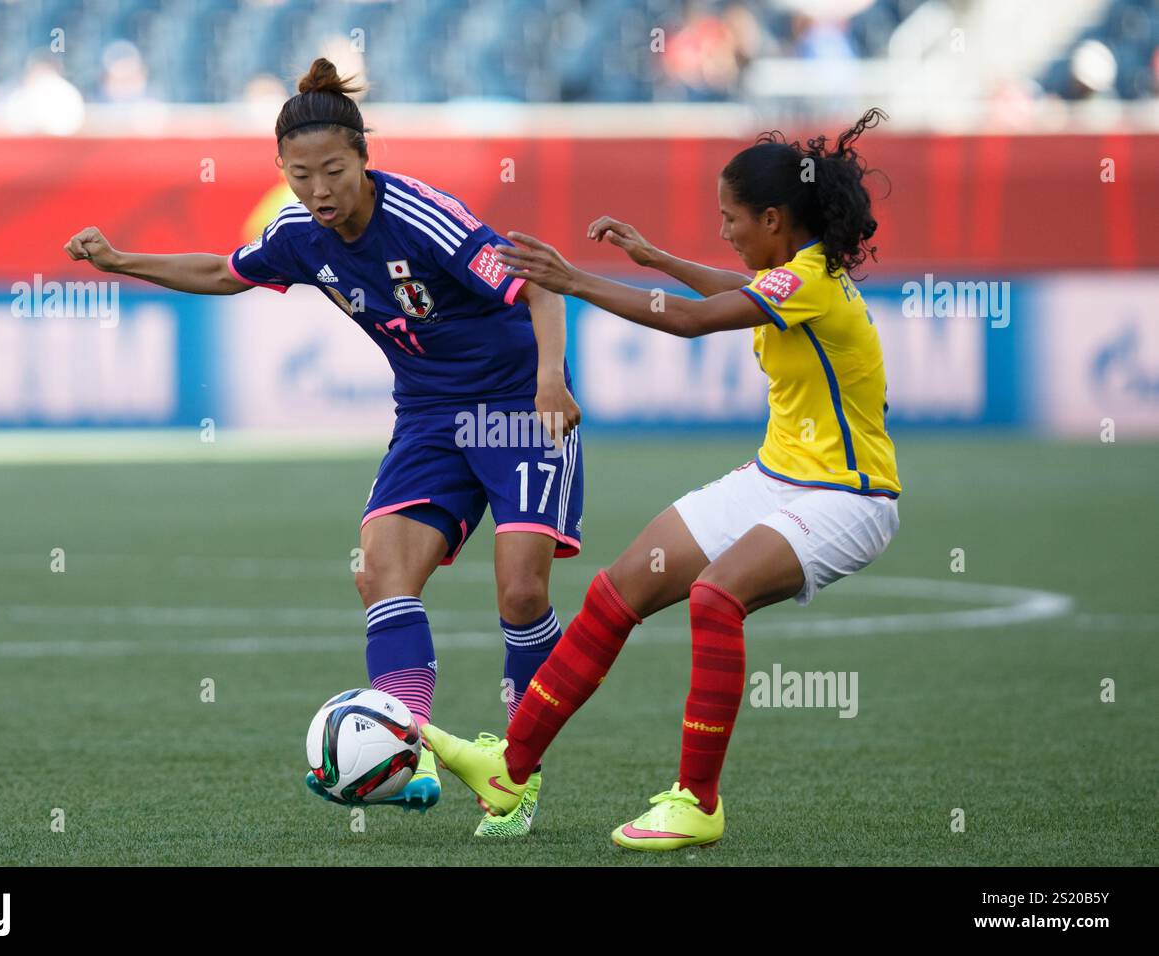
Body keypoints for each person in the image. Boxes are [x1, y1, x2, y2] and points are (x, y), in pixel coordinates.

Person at [63, 59, 583, 838]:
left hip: (517, 409)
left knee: (520, 594)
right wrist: (118, 260)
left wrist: (549, 382)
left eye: (333, 171)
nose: (319, 190)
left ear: (364, 159)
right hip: (429, 417)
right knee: (380, 574)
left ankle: (517, 771)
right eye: (300, 176)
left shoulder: (423, 216)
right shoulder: (299, 236)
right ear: (282, 173)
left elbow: (540, 282)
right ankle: (407, 754)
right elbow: (221, 269)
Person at [423, 109, 900, 851]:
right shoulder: (799, 273)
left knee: (716, 598)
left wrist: (573, 279)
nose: (725, 231)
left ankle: (697, 800)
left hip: (847, 497)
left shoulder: (808, 282)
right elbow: (734, 289)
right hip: (777, 479)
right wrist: (654, 258)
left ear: (774, 218)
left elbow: (693, 320)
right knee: (617, 593)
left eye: (731, 218)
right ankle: (511, 765)